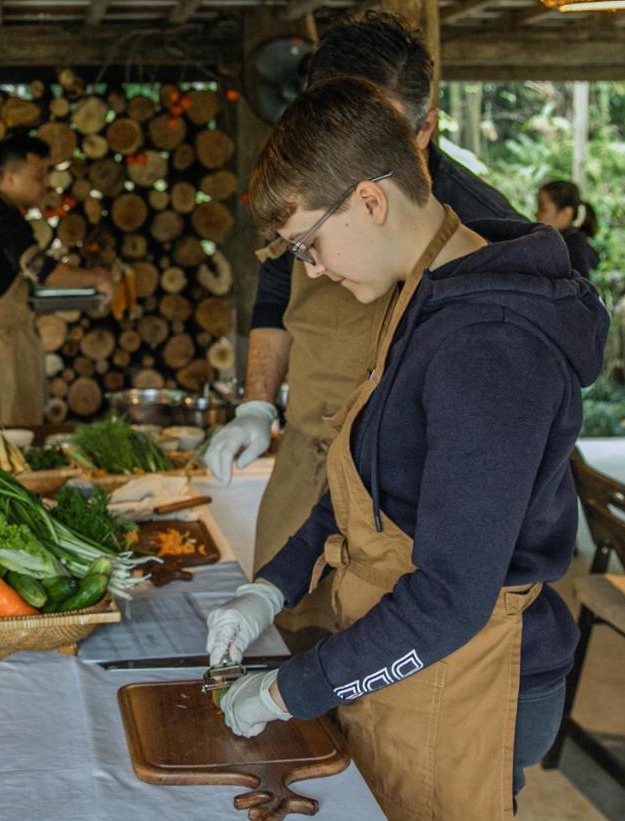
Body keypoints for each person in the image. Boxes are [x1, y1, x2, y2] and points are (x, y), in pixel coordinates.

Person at [205, 78, 608, 821]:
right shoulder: (422, 292)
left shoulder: (488, 345)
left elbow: (454, 597)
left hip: (477, 681)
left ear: (368, 199)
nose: (311, 271)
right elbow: (354, 486)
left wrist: (293, 689)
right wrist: (271, 585)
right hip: (411, 660)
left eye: (307, 245)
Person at [204, 11, 525, 647]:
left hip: (403, 493)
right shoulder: (307, 191)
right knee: (288, 634)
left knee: (377, 663)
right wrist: (256, 405)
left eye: (379, 130)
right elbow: (273, 293)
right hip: (306, 459)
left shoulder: (485, 231)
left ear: (425, 125)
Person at [0, 135, 114, 425]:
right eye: (38, 175)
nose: (45, 185)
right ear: (9, 177)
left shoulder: (6, 214)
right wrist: (97, 279)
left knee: (25, 421)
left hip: (13, 330)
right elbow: (44, 271)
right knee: (5, 426)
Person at [536, 179, 600, 279]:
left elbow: (579, 289)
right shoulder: (562, 242)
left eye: (542, 209)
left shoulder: (573, 248)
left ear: (566, 214)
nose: (536, 214)